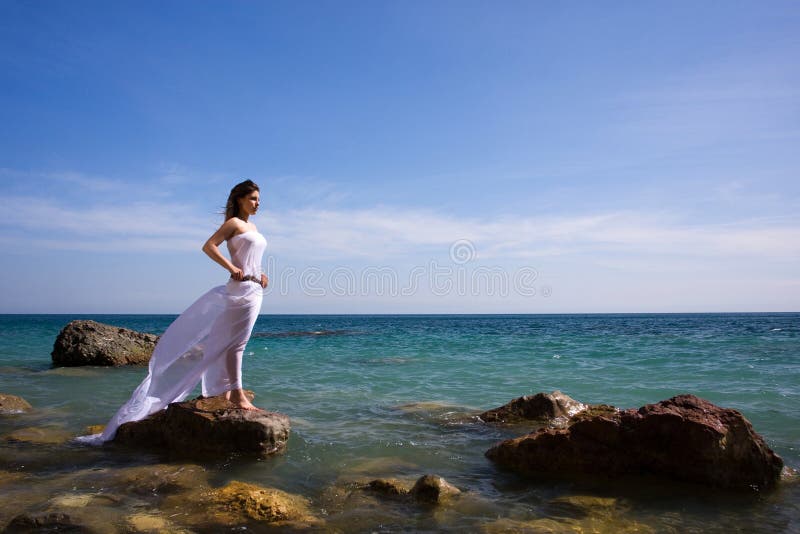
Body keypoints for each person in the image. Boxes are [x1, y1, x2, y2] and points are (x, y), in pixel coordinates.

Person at [93, 180, 269, 442]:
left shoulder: (253, 227)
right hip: (240, 289)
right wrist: (231, 269)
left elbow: (250, 259)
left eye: (258, 199)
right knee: (236, 343)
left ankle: (232, 392)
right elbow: (209, 246)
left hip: (255, 289)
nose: (257, 203)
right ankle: (237, 393)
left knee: (235, 343)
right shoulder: (235, 224)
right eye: (253, 198)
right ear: (240, 198)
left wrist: (260, 273)